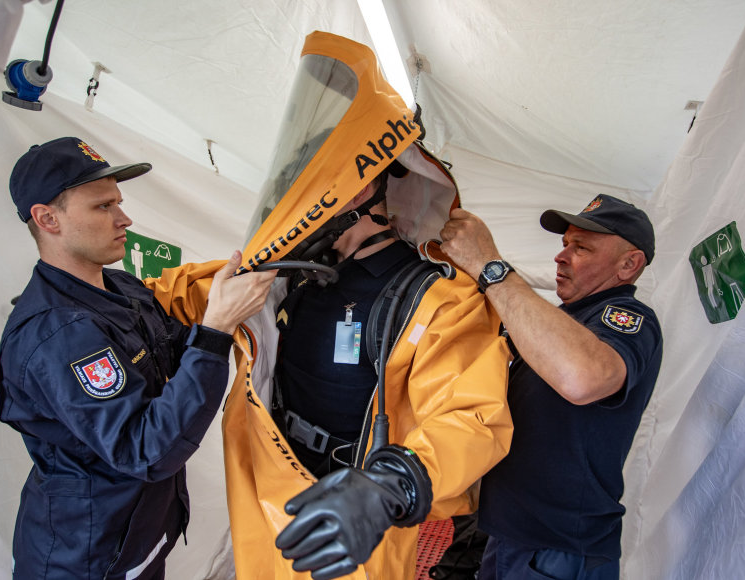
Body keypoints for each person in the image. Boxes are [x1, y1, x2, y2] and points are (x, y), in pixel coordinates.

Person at [144, 31, 513, 580]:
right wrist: (93, 299)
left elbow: (470, 417)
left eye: (309, 186)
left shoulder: (441, 298)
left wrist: (387, 487)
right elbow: (190, 289)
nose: (296, 201)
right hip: (269, 490)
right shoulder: (292, 277)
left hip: (361, 519)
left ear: (360, 192)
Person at [0, 136, 276, 579]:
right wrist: (217, 329)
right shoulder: (57, 334)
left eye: (118, 203)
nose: (123, 219)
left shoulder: (121, 289)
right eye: (102, 207)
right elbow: (144, 449)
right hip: (84, 561)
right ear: (47, 218)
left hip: (135, 541)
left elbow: (178, 355)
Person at [439, 194, 663, 580]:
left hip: (557, 551)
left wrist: (491, 268)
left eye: (581, 247)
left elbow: (583, 378)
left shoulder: (629, 319)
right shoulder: (563, 321)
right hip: (511, 535)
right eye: (564, 245)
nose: (561, 257)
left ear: (629, 264)